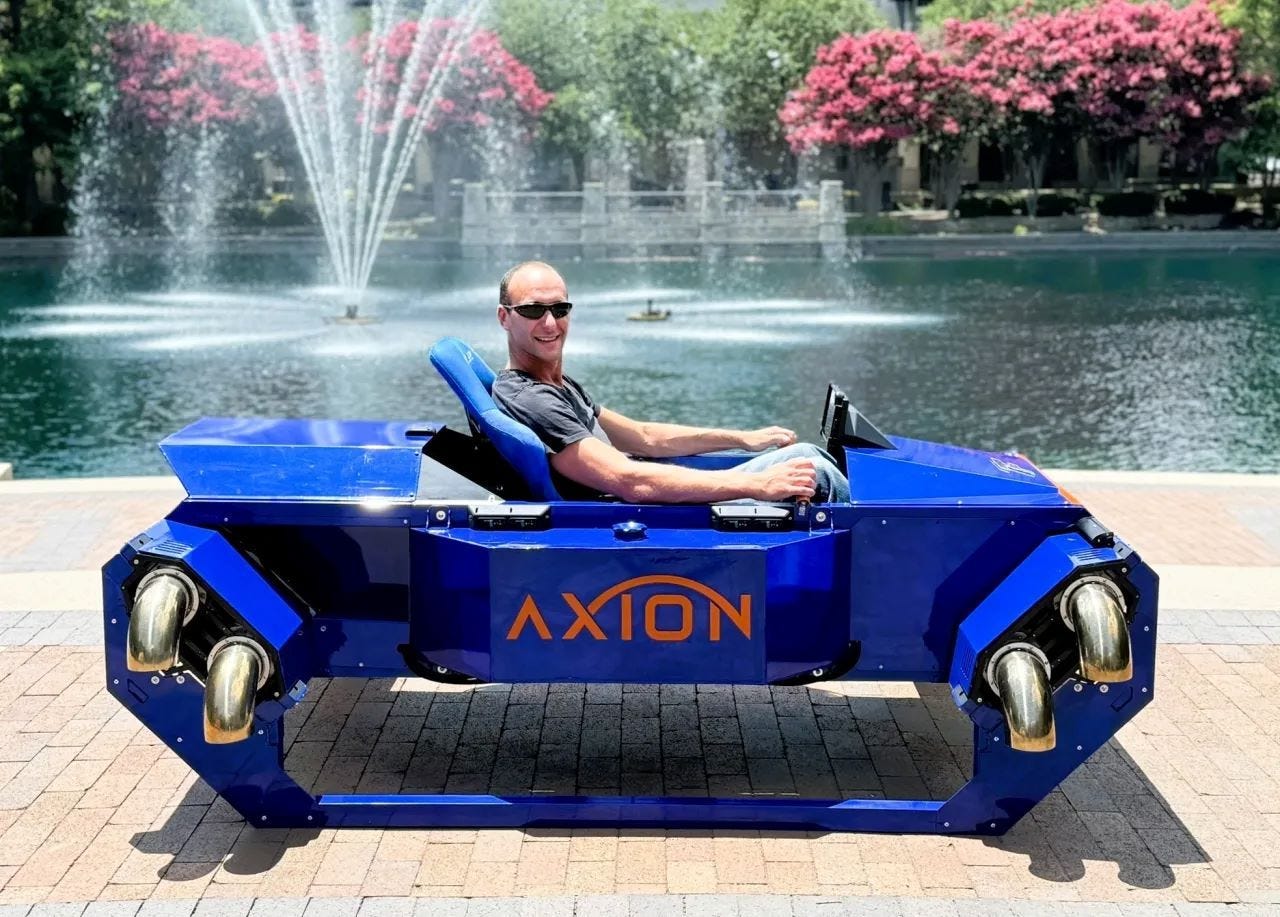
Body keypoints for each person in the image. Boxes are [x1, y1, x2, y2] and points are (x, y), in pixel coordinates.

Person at [490, 261, 851, 504]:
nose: (550, 323)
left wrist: (741, 438)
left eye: (559, 309)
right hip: (646, 516)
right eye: (533, 310)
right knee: (816, 474)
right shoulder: (534, 399)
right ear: (505, 317)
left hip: (652, 500)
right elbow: (629, 481)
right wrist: (758, 484)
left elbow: (645, 436)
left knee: (806, 455)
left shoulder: (555, 383)